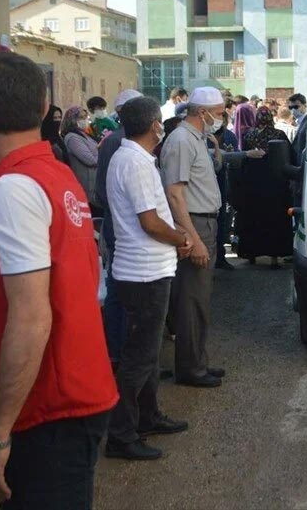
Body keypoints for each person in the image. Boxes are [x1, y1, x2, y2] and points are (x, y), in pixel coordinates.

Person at [0, 51, 118, 507]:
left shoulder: (15, 189)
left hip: (47, 411)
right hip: (64, 401)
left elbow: (31, 319)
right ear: (46, 107)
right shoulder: (53, 173)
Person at [105, 96, 191, 461]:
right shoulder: (134, 163)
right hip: (143, 272)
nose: (162, 126)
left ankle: (147, 416)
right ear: (153, 124)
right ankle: (121, 435)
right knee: (139, 357)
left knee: (148, 352)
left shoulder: (132, 158)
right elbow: (150, 221)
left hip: (146, 269)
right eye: (159, 121)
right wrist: (182, 238)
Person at [160, 86, 227, 388]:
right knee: (190, 300)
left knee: (200, 300)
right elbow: (174, 195)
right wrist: (193, 239)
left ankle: (198, 362)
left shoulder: (197, 138)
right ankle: (189, 369)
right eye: (220, 111)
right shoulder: (181, 141)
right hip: (195, 225)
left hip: (205, 223)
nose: (223, 116)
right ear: (203, 113)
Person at [92, 89, 144, 368]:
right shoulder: (120, 142)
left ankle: (120, 351)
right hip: (123, 227)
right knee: (121, 291)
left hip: (120, 224)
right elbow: (105, 190)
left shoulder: (118, 140)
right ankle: (119, 352)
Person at [231, 107, 294, 269]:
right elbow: (289, 157)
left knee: (253, 219)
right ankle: (274, 257)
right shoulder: (278, 135)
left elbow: (244, 160)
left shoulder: (248, 135)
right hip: (275, 185)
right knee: (274, 220)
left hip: (252, 187)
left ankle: (251, 254)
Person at [206, 108, 241, 271]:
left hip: (220, 185)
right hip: (216, 186)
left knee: (221, 222)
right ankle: (218, 257)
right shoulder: (205, 140)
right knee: (219, 223)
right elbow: (223, 161)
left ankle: (218, 256)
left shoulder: (227, 136)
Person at [61, 106, 102, 218]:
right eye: (81, 117)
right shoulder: (73, 138)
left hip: (95, 183)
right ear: (73, 120)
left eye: (86, 117)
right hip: (87, 185)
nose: (85, 120)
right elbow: (91, 160)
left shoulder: (85, 134)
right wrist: (102, 148)